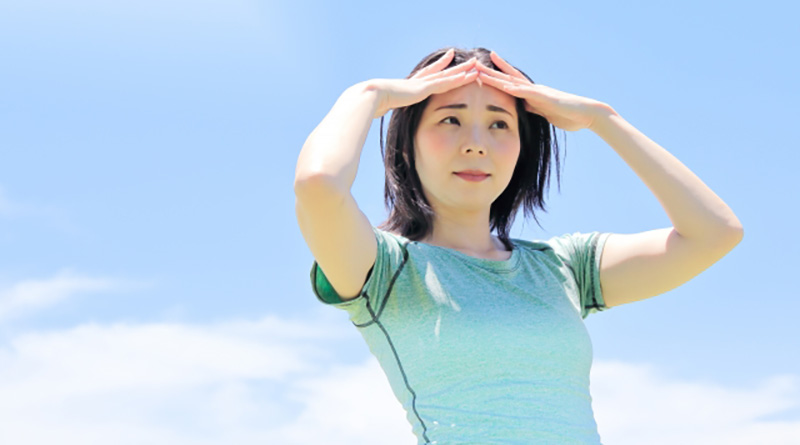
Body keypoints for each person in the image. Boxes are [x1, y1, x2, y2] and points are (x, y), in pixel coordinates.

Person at [293, 46, 743, 444]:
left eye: (499, 124)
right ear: (407, 145)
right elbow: (318, 185)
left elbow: (715, 232)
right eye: (450, 119)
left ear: (522, 148)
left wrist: (602, 119)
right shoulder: (387, 270)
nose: (476, 144)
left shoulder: (564, 268)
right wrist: (367, 94)